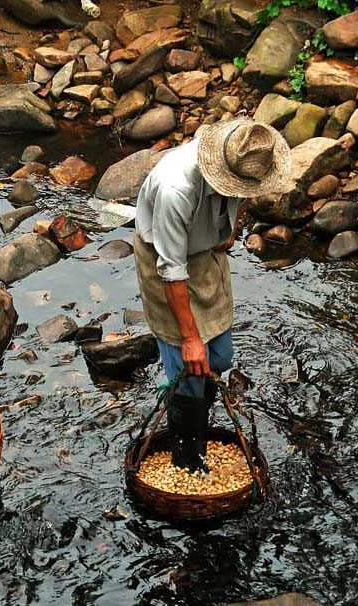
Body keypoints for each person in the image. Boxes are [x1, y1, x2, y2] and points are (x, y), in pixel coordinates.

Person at [134, 118, 292, 473]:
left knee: (219, 356)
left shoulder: (243, 154)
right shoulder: (176, 189)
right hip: (165, 262)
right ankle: (187, 456)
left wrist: (232, 229)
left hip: (207, 253)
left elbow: (245, 193)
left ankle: (187, 397)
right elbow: (171, 269)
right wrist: (190, 338)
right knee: (190, 364)